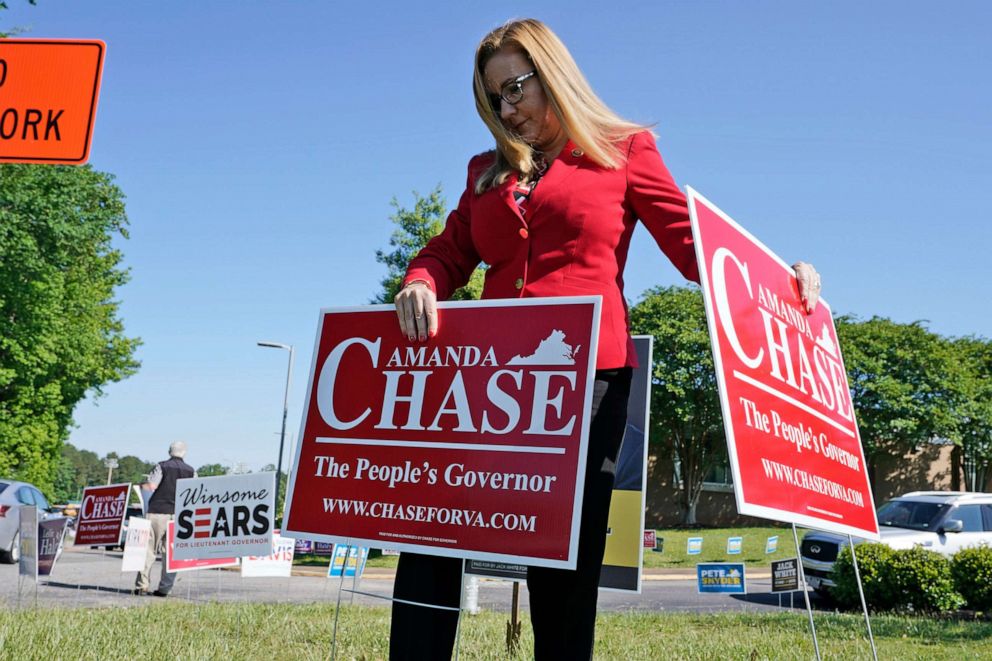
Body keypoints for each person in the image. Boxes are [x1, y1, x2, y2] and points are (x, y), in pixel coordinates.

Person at [391, 18, 822, 660]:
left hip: (586, 381)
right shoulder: (484, 171)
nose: (507, 110)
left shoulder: (625, 149)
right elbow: (450, 250)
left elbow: (691, 245)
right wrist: (421, 281)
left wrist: (779, 278)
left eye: (516, 89)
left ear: (554, 74)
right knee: (432, 530)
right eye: (494, 99)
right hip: (485, 383)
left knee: (563, 564)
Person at [134, 440, 195, 597]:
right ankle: (165, 588)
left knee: (148, 550)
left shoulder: (162, 466)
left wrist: (140, 486)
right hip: (180, 515)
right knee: (170, 552)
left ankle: (142, 585)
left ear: (169, 451)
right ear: (184, 453)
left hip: (158, 511)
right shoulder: (191, 471)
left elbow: (152, 486)